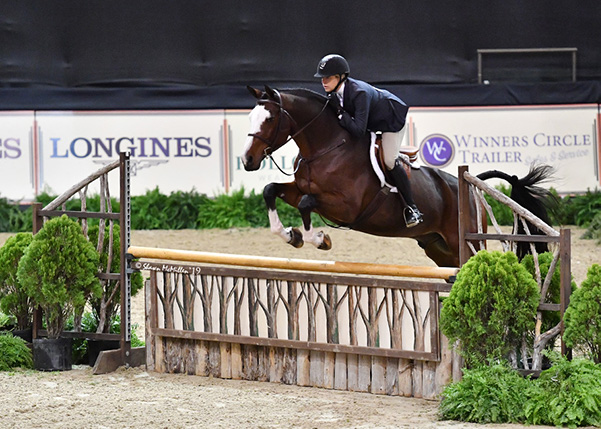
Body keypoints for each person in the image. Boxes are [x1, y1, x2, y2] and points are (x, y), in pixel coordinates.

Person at [314, 54, 423, 227]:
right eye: (322, 78)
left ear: (340, 77)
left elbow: (358, 130)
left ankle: (412, 208)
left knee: (389, 161)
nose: (323, 82)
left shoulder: (359, 93)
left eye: (328, 77)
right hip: (372, 121)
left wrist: (341, 114)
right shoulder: (334, 93)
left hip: (390, 120)